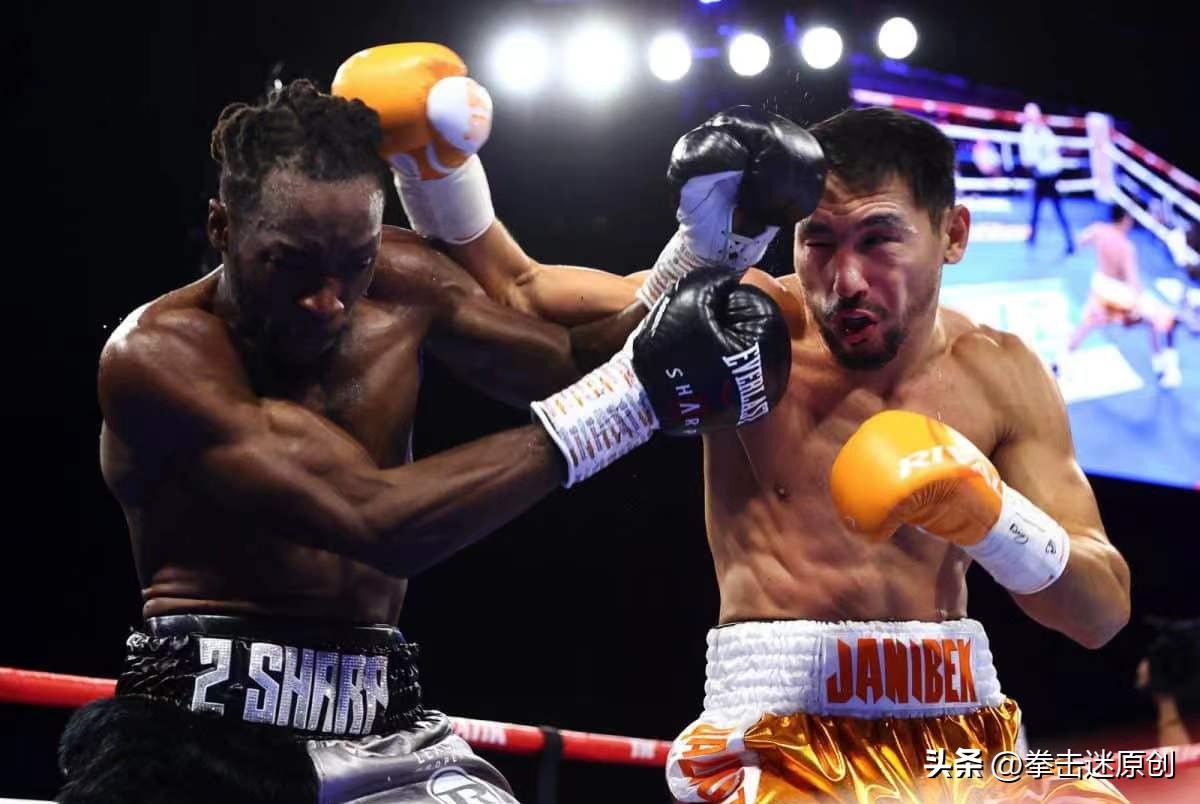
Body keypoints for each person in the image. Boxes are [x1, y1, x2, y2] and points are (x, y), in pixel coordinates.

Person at [56, 72, 811, 803]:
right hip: (197, 726)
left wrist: (713, 249)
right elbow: (373, 519)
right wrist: (631, 402)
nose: (328, 301)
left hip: (382, 722)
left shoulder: (400, 280)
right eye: (291, 265)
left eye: (354, 263)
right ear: (223, 227)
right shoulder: (159, 357)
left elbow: (569, 362)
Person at [1066, 205, 1182, 388]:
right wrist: (1137, 306)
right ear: (1125, 219)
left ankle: (1062, 360)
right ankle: (1170, 371)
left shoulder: (1099, 230)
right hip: (1119, 293)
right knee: (1166, 318)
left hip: (1100, 286)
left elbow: (1081, 240)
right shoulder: (1126, 247)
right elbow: (1132, 280)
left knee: (1088, 322)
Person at [1021, 101, 1076, 254]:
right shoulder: (1027, 132)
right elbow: (1028, 158)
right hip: (1039, 175)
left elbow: (1054, 151)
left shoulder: (1045, 132)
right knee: (1037, 208)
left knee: (1054, 208)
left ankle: (1070, 241)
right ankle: (1033, 237)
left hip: (1049, 175)